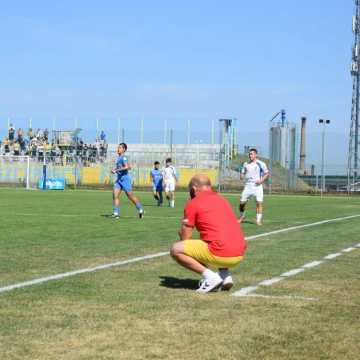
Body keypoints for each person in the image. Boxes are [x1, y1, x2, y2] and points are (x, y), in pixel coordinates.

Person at [170, 174, 247, 293]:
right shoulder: (223, 200)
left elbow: (186, 237)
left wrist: (182, 236)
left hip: (221, 252)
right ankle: (225, 275)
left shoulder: (194, 203)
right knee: (216, 236)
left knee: (176, 249)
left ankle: (210, 277)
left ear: (194, 189)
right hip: (239, 253)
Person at [111, 143, 144, 219]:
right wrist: (115, 170)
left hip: (125, 179)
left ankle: (140, 208)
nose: (118, 149)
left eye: (120, 148)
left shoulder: (124, 157)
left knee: (130, 196)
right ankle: (116, 213)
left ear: (124, 149)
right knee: (115, 195)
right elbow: (121, 168)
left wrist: (116, 170)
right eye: (118, 147)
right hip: (119, 180)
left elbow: (128, 167)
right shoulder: (118, 158)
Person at [238, 148, 270, 226]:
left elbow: (267, 173)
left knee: (259, 203)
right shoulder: (246, 164)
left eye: (251, 154)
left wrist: (261, 181)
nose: (250, 155)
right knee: (242, 203)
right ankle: (242, 216)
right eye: (249, 154)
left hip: (257, 186)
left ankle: (258, 220)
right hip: (248, 186)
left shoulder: (261, 163)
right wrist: (241, 175)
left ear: (255, 155)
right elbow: (242, 173)